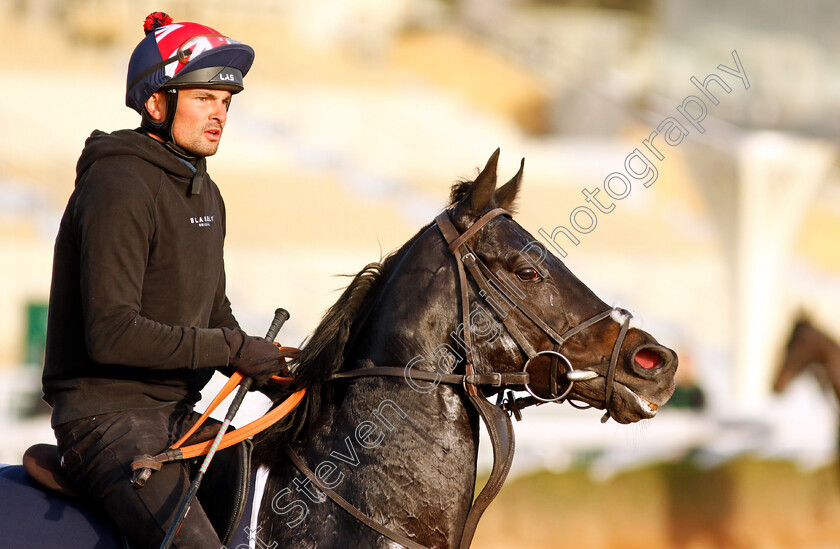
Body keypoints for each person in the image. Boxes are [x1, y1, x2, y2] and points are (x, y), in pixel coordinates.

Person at [42, 12, 282, 549]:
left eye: (226, 102)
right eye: (203, 98)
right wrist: (232, 346)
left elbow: (211, 309)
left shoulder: (205, 190)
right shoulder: (120, 184)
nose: (220, 114)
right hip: (106, 417)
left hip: (172, 412)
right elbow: (111, 332)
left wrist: (270, 368)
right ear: (156, 103)